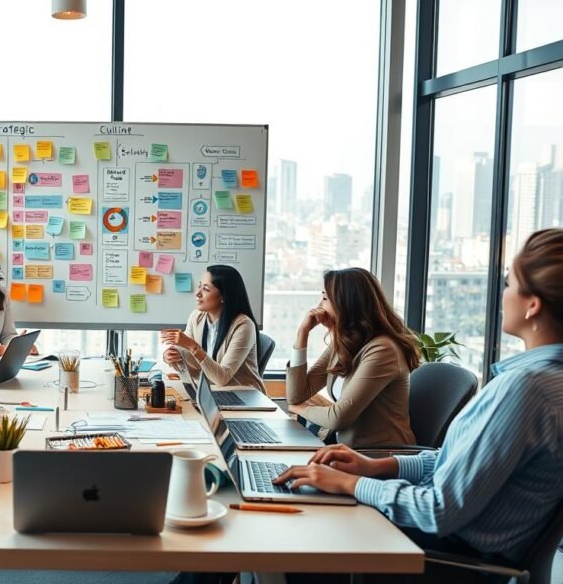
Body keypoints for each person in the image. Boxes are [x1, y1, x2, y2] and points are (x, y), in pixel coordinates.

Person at [274, 229, 563, 583]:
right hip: (451, 538)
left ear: (532, 304)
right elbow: (455, 463)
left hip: (447, 555)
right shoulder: (544, 381)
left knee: (294, 530)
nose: (502, 295)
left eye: (508, 283)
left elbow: (439, 509)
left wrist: (350, 485)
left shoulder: (525, 388)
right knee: (298, 507)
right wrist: (380, 465)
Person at [285, 267, 418, 447]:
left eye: (325, 298)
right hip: (349, 452)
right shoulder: (345, 342)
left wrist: (300, 409)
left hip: (379, 456)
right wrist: (302, 334)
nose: (318, 307)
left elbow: (338, 418)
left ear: (346, 303)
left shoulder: (383, 350)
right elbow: (297, 395)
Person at [160, 265, 265, 393]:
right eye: (199, 286)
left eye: (206, 289)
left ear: (224, 296)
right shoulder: (196, 317)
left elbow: (222, 377)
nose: (197, 293)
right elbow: (193, 361)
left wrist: (192, 346)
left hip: (244, 395)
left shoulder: (243, 325)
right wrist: (171, 356)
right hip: (213, 391)